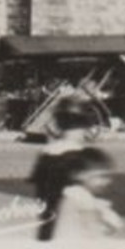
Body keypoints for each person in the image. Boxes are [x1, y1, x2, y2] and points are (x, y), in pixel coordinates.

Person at [29, 95, 96, 241]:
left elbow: (39, 195)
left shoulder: (46, 153)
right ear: (85, 126)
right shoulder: (81, 157)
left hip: (46, 230)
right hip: (71, 231)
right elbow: (82, 199)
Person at [49, 147, 124, 239]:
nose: (107, 181)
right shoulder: (79, 197)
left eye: (108, 176)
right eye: (101, 176)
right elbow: (93, 233)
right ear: (78, 175)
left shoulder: (76, 195)